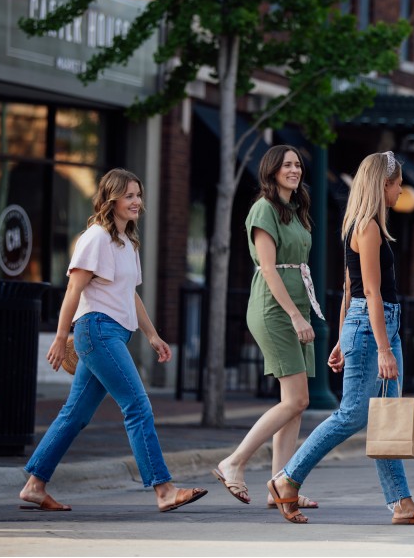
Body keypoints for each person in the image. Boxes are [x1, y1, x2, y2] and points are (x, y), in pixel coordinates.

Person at [267, 151, 414, 526]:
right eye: (398, 184)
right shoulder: (366, 227)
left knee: (386, 419)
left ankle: (401, 503)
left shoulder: (366, 225)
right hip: (373, 327)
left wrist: (340, 339)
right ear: (384, 184)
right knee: (352, 414)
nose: (401, 190)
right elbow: (369, 291)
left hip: (370, 325)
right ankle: (287, 478)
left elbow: (347, 289)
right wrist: (381, 348)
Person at [19, 168, 207, 513]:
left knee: (74, 414)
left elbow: (130, 295)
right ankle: (164, 489)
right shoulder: (96, 238)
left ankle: (34, 485)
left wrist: (152, 335)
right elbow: (73, 289)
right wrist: (62, 337)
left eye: (139, 195)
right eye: (129, 196)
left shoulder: (126, 242)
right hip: (97, 331)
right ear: (111, 199)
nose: (137, 202)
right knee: (137, 405)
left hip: (114, 332)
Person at [212, 145, 324, 509]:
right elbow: (269, 268)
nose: (294, 170)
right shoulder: (263, 209)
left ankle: (280, 485)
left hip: (298, 307)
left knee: (295, 404)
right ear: (272, 170)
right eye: (287, 165)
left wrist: (301, 312)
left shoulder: (297, 210)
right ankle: (234, 462)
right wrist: (293, 314)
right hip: (275, 309)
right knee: (297, 399)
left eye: (297, 165)